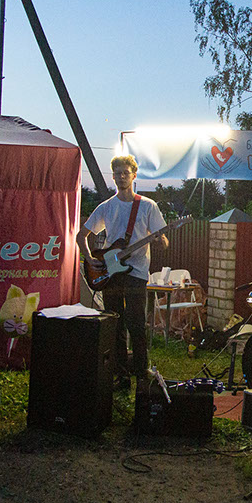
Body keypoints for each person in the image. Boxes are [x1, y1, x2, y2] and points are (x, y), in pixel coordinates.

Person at [76, 155, 168, 391]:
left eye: (125, 172)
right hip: (110, 273)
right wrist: (90, 259)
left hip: (137, 272)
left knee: (136, 324)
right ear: (113, 176)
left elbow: (164, 241)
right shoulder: (106, 207)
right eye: (117, 173)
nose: (121, 177)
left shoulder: (147, 206)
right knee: (115, 323)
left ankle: (142, 373)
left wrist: (160, 240)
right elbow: (81, 236)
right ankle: (121, 375)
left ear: (134, 175)